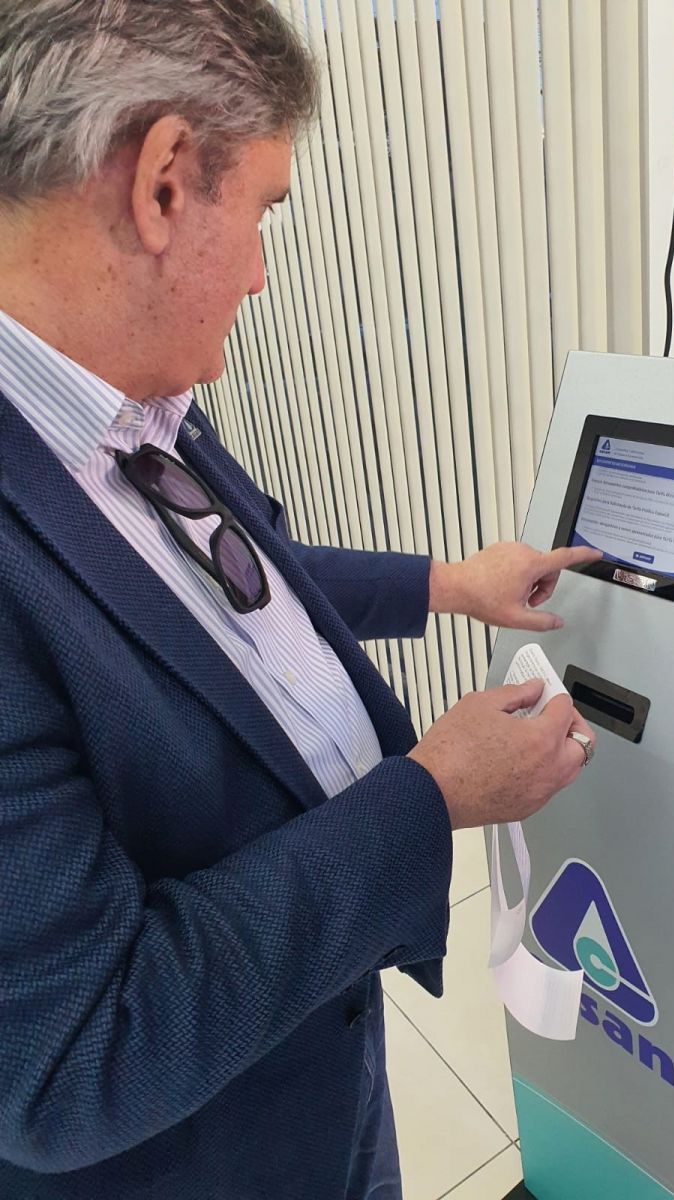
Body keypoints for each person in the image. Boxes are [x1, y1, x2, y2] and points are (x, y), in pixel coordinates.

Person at [0, 3, 599, 1198]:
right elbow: (73, 1058)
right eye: (265, 211)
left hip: (319, 1073)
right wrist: (430, 798)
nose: (263, 273)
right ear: (165, 183)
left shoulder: (126, 406)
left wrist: (445, 586)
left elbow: (223, 588)